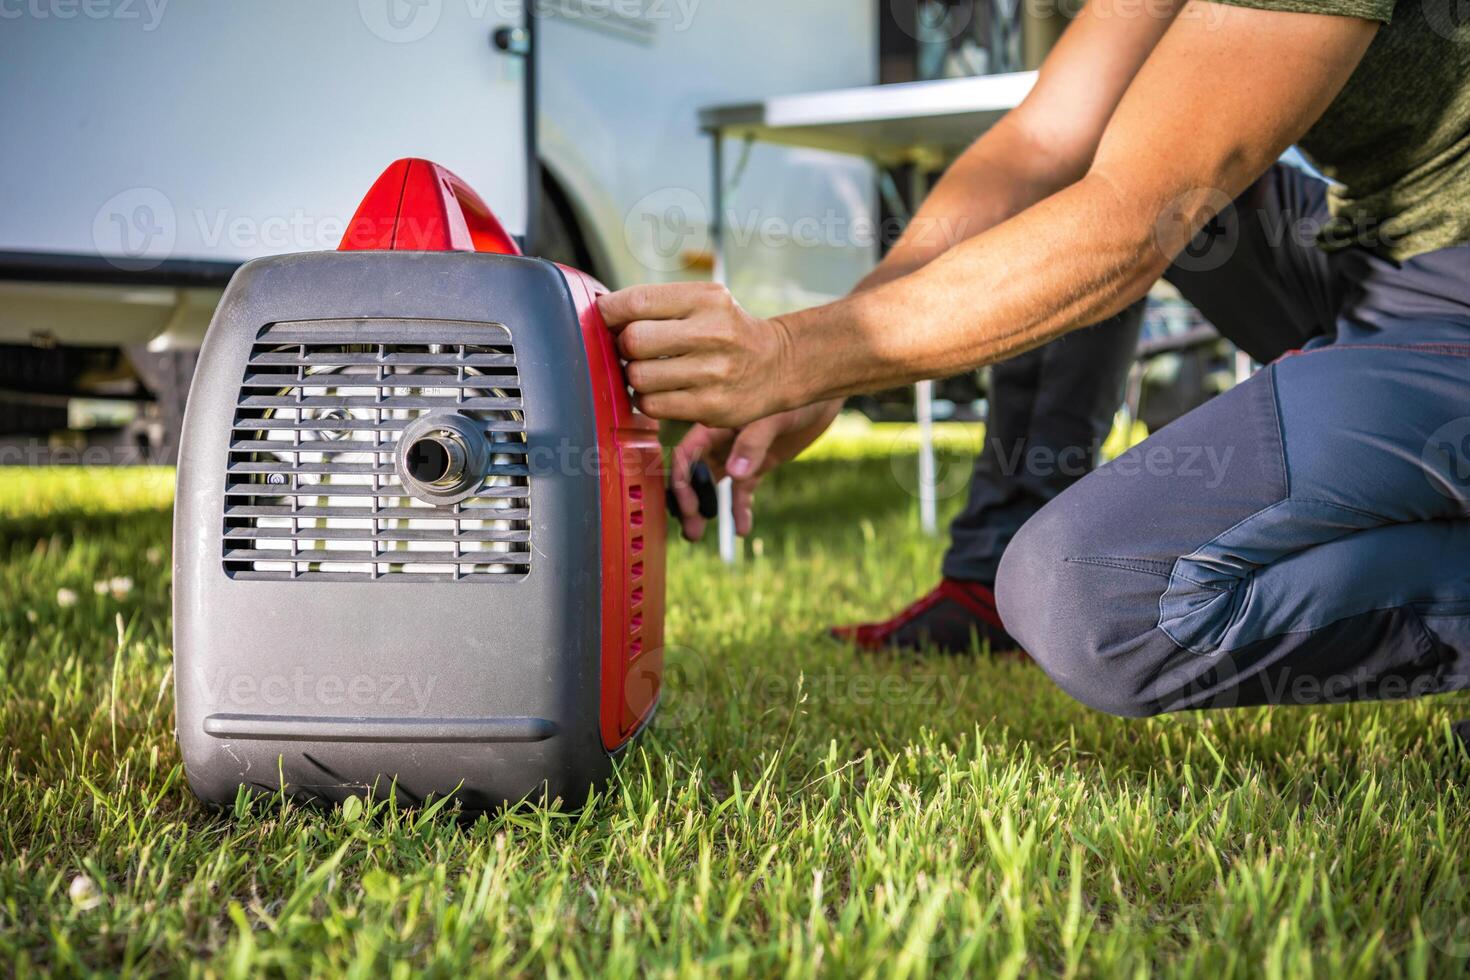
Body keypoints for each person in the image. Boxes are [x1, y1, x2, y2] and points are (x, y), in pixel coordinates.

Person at [600, 0, 1470, 718]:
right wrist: (826, 358)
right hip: (1373, 264)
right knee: (1117, 139)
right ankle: (982, 583)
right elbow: (1043, 144)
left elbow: (1134, 222)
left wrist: (798, 355)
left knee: (1091, 598)